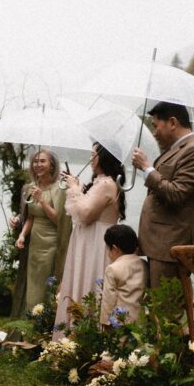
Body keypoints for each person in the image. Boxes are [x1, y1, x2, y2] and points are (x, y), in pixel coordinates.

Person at [131, 101, 194, 288]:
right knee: (155, 309)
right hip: (157, 246)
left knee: (166, 311)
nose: (154, 132)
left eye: (155, 125)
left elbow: (176, 193)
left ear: (173, 123)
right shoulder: (175, 150)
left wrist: (146, 168)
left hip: (170, 249)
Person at [52, 143, 125, 340]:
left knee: (91, 282)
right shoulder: (100, 182)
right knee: (79, 279)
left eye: (94, 154)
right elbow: (89, 204)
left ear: (104, 157)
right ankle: (71, 335)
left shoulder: (107, 184)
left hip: (96, 242)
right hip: (86, 240)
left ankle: (86, 337)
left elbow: (86, 214)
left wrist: (75, 189)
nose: (91, 158)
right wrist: (79, 185)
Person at [12, 149, 66, 316]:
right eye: (35, 161)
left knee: (46, 285)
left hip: (51, 244)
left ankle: (46, 324)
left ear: (52, 165)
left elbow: (59, 220)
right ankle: (30, 321)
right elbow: (31, 217)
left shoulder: (59, 188)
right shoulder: (30, 188)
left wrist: (42, 200)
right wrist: (22, 235)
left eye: (43, 161)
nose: (38, 165)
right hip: (34, 243)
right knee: (32, 284)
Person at [99, 224, 146, 326]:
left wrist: (105, 322)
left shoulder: (112, 269)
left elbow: (108, 300)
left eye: (108, 249)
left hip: (120, 323)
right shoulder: (144, 265)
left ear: (115, 249)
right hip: (141, 322)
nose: (107, 253)